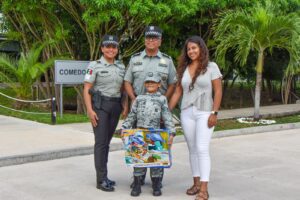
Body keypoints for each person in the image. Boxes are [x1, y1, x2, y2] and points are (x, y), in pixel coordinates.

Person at [123, 25, 177, 193]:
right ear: (145, 39)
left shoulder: (167, 61)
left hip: (157, 113)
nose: (151, 40)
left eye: (154, 38)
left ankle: (156, 182)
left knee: (156, 148)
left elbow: (173, 83)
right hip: (138, 113)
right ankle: (137, 180)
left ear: (160, 40)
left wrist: (163, 103)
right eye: (148, 37)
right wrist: (134, 100)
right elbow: (127, 81)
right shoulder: (135, 59)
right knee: (138, 147)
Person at [168, 36, 222, 200]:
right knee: (192, 149)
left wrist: (214, 112)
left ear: (201, 48)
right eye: (189, 49)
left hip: (205, 112)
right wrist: (166, 110)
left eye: (194, 48)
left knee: (202, 148)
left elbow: (218, 91)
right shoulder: (184, 68)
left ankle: (204, 189)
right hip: (186, 112)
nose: (191, 51)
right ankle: (196, 183)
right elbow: (178, 92)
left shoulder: (211, 67)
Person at [83, 35, 128, 192]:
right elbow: (87, 88)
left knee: (106, 143)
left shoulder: (121, 67)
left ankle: (105, 176)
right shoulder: (94, 65)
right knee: (101, 143)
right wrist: (89, 110)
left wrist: (125, 106)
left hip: (115, 106)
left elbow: (123, 89)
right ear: (102, 48)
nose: (110, 49)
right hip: (100, 107)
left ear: (116, 49)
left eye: (114, 47)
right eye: (107, 46)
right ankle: (100, 180)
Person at [122, 74, 176, 196]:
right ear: (145, 84)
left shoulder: (162, 99)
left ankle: (156, 185)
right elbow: (132, 115)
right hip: (140, 133)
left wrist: (171, 133)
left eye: (153, 82)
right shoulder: (139, 98)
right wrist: (125, 127)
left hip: (155, 133)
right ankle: (137, 185)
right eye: (147, 82)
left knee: (155, 162)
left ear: (159, 84)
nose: (150, 84)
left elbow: (167, 116)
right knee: (138, 161)